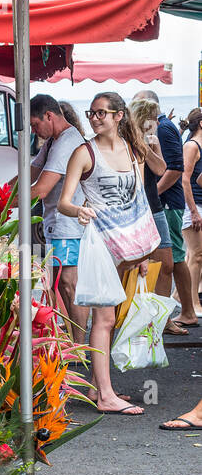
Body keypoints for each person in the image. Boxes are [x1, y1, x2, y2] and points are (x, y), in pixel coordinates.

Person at [58, 92, 159, 416]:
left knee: (111, 317)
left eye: (102, 113)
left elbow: (138, 202)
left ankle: (99, 386)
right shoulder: (83, 153)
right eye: (91, 113)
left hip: (126, 244)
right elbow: (65, 201)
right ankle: (105, 394)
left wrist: (141, 253)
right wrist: (80, 211)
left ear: (118, 116)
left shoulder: (133, 151)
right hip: (100, 245)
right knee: (104, 317)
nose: (95, 118)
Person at [135, 90, 197, 329]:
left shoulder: (162, 129)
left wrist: (155, 193)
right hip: (157, 205)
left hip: (165, 203)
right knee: (166, 262)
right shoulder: (146, 133)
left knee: (171, 260)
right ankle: (167, 316)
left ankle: (167, 317)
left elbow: (171, 168)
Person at [29, 95, 88, 343]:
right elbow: (29, 173)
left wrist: (4, 204)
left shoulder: (68, 142)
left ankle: (79, 345)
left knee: (68, 283)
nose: (34, 131)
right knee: (55, 283)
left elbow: (40, 189)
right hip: (57, 223)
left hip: (69, 224)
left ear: (49, 116)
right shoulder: (53, 142)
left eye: (34, 125)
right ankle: (65, 340)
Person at [180, 108, 202, 319]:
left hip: (198, 204)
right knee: (196, 255)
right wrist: (194, 211)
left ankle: (181, 295)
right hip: (193, 206)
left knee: (194, 256)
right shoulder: (192, 146)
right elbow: (185, 179)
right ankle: (193, 303)